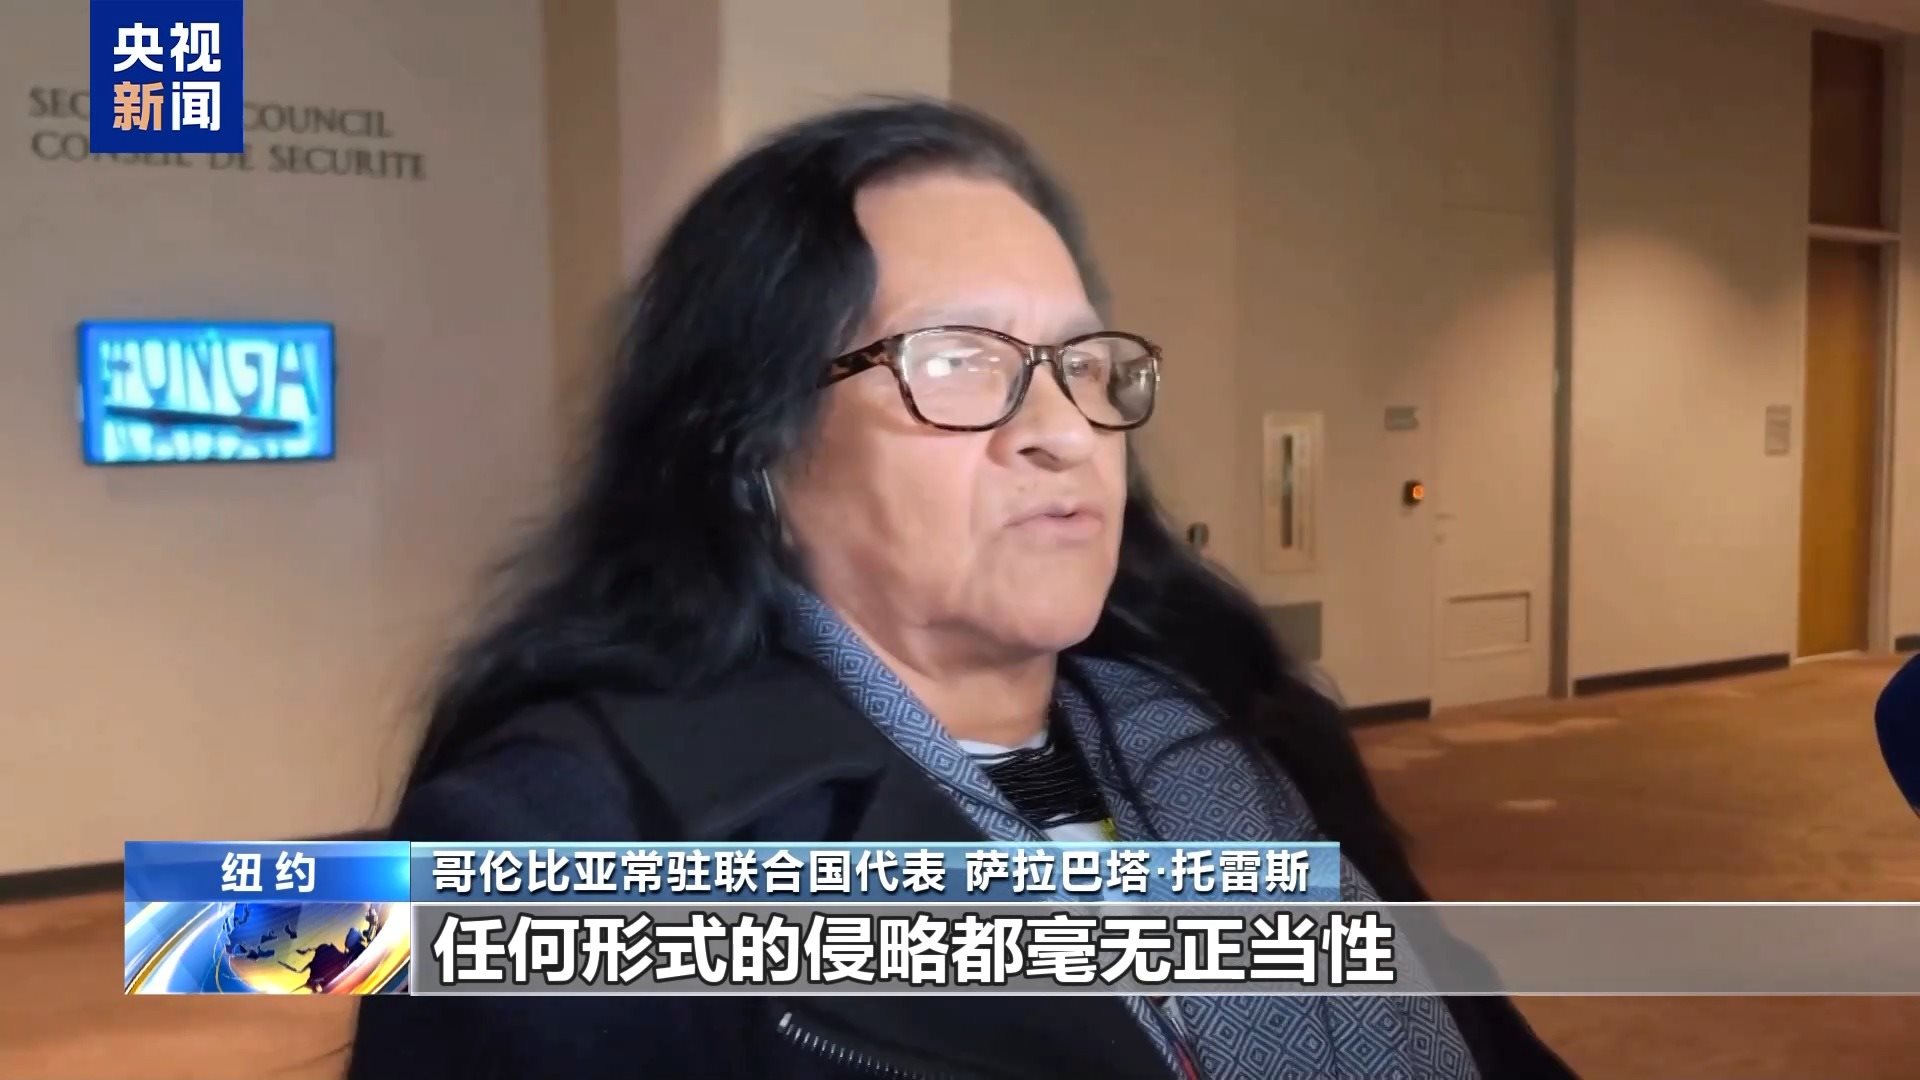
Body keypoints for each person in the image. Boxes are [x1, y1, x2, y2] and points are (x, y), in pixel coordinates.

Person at [350, 99, 1575, 1080]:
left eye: (1083, 362)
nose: (1063, 431)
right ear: (754, 453)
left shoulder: (1253, 747)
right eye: (956, 363)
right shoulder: (558, 836)